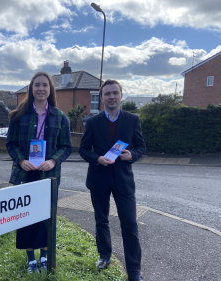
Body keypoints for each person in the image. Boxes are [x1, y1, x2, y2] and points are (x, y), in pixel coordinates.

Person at [79, 79, 145, 281]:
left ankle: (134, 271)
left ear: (121, 95)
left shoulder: (132, 120)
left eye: (115, 93)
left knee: (130, 224)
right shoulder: (92, 122)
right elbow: (83, 149)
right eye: (107, 94)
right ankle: (105, 255)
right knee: (101, 220)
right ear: (102, 97)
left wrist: (131, 155)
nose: (112, 97)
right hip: (99, 178)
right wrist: (97, 158)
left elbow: (141, 147)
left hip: (123, 181)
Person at [6, 71, 72, 273]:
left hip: (48, 176)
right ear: (31, 89)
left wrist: (53, 160)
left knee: (45, 217)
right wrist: (21, 160)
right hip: (25, 174)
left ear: (50, 89)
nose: (41, 89)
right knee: (25, 218)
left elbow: (66, 147)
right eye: (37, 85)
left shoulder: (61, 118)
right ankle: (30, 259)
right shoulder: (18, 115)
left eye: (45, 85)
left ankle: (44, 257)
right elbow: (11, 143)